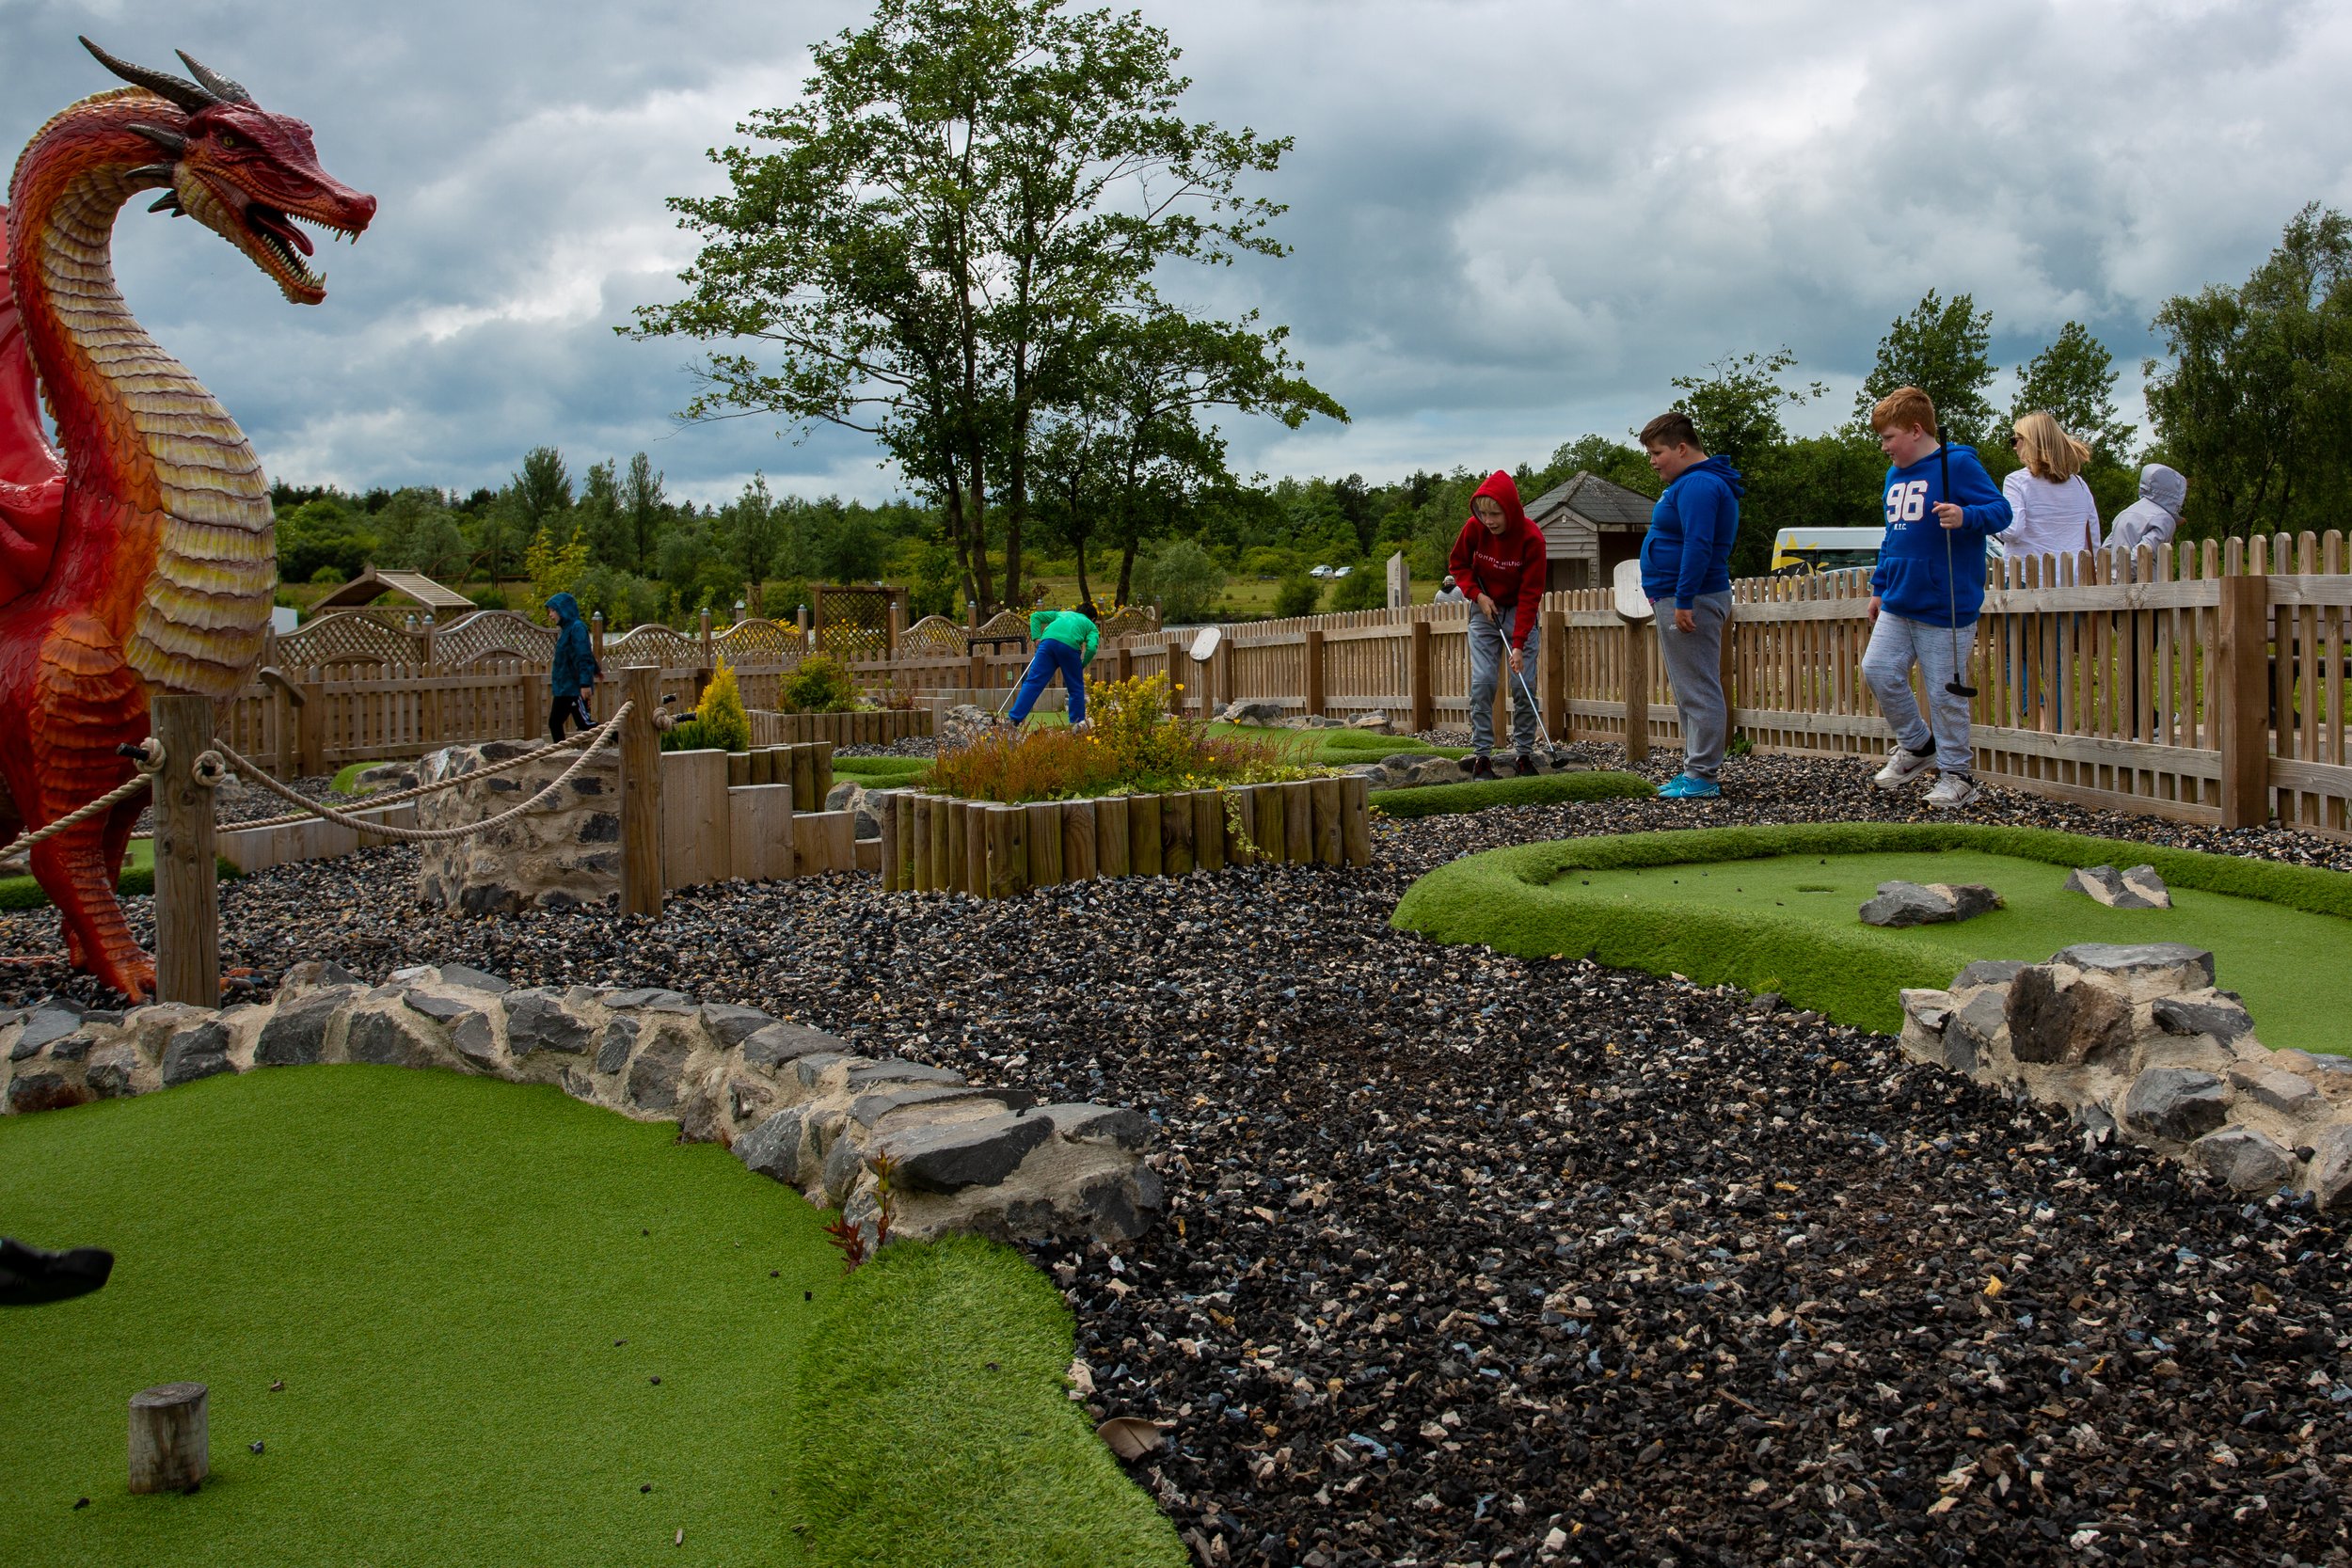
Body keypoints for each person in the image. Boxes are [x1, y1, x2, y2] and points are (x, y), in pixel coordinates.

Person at [1860, 387, 2012, 809]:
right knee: (1877, 670)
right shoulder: (1894, 475)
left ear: (1915, 429)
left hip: (1946, 606)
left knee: (1945, 694)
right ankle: (1917, 746)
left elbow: (2001, 511)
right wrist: (1879, 586)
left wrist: (1967, 516)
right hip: (1899, 599)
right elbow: (1893, 536)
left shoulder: (1957, 464)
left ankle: (1957, 776)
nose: (1885, 447)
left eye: (1889, 437)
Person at [1637, 411, 1743, 800]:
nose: (1652, 460)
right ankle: (1694, 770)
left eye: (1656, 452)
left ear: (1682, 448)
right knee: (1688, 689)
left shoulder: (1698, 484)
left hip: (1692, 598)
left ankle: (1702, 776)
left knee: (1698, 688)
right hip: (1680, 596)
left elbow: (1699, 545)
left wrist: (1683, 600)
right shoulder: (1693, 482)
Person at [1445, 471, 1548, 779]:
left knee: (1523, 685)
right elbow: (1458, 565)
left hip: (1519, 610)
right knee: (1484, 682)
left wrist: (1518, 644)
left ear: (1511, 509)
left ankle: (1524, 756)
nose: (1488, 520)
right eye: (1483, 513)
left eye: (1495, 513)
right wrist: (1477, 595)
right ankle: (1482, 758)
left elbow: (1531, 595)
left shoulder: (1532, 539)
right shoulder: (1474, 529)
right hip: (1484, 610)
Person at [1995, 411, 2101, 568]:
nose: (2014, 447)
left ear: (2030, 442)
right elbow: (2093, 538)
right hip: (2072, 578)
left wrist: (1990, 521)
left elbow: (2012, 531)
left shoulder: (2016, 481)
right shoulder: (2080, 485)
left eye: (2015, 440)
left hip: (2027, 576)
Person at [1008, 604, 1099, 725]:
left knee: (1033, 682)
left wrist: (1036, 637)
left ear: (1077, 611)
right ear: (1093, 618)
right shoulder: (1091, 625)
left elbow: (1036, 616)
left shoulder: (1062, 613)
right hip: (1069, 648)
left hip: (1047, 645)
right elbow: (1092, 648)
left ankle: (1014, 719)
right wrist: (1082, 664)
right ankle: (1077, 724)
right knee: (1075, 687)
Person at [546, 592, 599, 741]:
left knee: (584, 723)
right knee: (555, 722)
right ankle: (560, 755)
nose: (550, 615)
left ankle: (621, 737)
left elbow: (584, 655)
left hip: (574, 688)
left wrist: (584, 683)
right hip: (564, 688)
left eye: (553, 610)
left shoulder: (577, 627)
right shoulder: (566, 630)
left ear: (563, 609)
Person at [2107, 463, 2188, 554]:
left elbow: (2105, 550)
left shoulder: (2124, 513)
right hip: (2141, 568)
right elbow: (2142, 555)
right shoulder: (2164, 519)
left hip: (2112, 568)